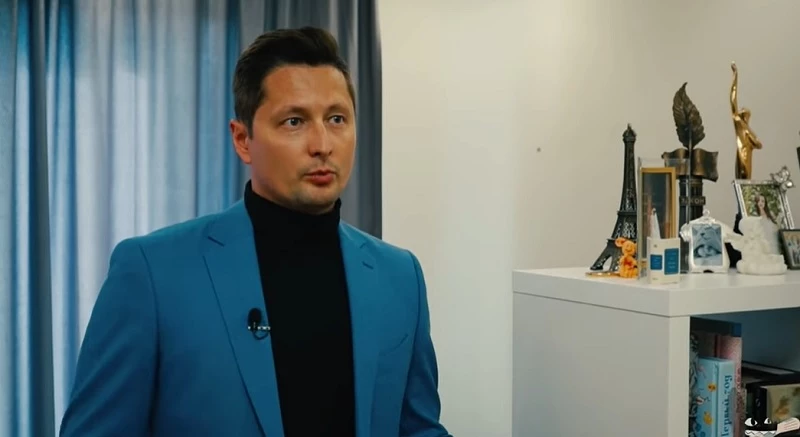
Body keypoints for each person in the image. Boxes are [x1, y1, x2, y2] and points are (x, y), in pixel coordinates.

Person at [59, 27, 451, 437]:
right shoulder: (152, 273)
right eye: (294, 121)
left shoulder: (400, 276)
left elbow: (419, 428)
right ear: (243, 139)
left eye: (337, 119)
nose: (322, 144)